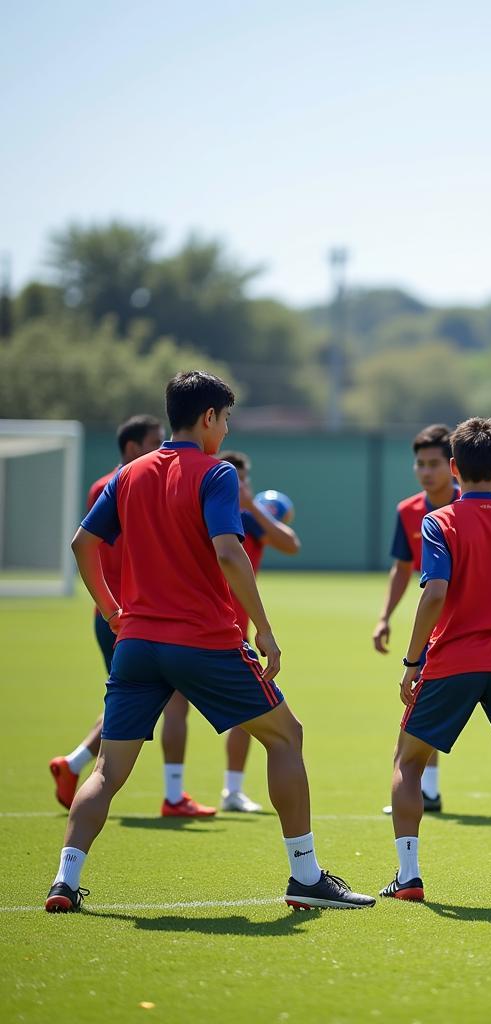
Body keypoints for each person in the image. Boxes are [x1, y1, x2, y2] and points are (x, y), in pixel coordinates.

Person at [45, 370, 374, 912]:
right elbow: (228, 551)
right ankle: (306, 876)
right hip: (204, 641)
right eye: (225, 418)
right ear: (208, 418)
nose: (225, 429)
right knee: (286, 737)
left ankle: (64, 882)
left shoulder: (127, 476)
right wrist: (264, 629)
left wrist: (111, 609)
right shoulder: (216, 472)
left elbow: (83, 543)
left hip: (138, 644)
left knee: (108, 770)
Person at [381, 417, 491, 905]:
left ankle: (409, 876)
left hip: (452, 662)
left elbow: (435, 591)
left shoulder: (438, 521)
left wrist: (412, 660)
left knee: (409, 761)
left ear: (455, 467)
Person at [159, 450, 302, 814]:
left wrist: (251, 505)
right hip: (215, 632)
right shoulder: (220, 519)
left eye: (241, 480)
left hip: (199, 629)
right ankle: (176, 792)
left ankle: (227, 791)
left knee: (245, 713)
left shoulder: (248, 519)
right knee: (255, 710)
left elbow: (290, 543)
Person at [48, 415, 165, 809]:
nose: (161, 448)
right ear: (132, 448)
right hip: (124, 615)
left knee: (138, 700)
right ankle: (81, 765)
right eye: (155, 441)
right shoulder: (115, 485)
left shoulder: (128, 482)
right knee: (143, 701)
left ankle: (75, 764)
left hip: (127, 614)